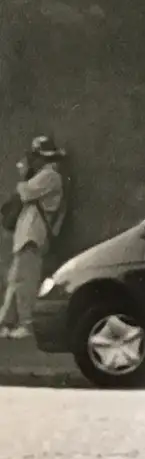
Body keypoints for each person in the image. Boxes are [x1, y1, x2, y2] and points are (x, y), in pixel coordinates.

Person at [0, 137, 66, 339]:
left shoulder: (50, 176)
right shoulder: (44, 175)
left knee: (25, 282)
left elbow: (25, 192)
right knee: (15, 280)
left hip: (33, 237)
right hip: (26, 237)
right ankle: (7, 323)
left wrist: (23, 174)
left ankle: (26, 325)